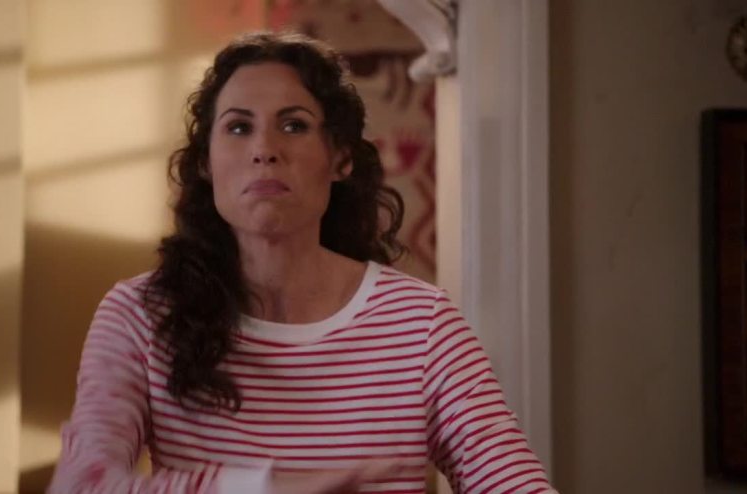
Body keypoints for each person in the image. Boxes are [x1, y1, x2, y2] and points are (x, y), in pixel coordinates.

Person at [49, 32, 556, 494]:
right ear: (206, 163)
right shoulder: (139, 314)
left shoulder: (422, 324)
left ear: (340, 159)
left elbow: (513, 482)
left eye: (294, 125)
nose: (264, 149)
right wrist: (258, 489)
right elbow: (81, 486)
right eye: (239, 127)